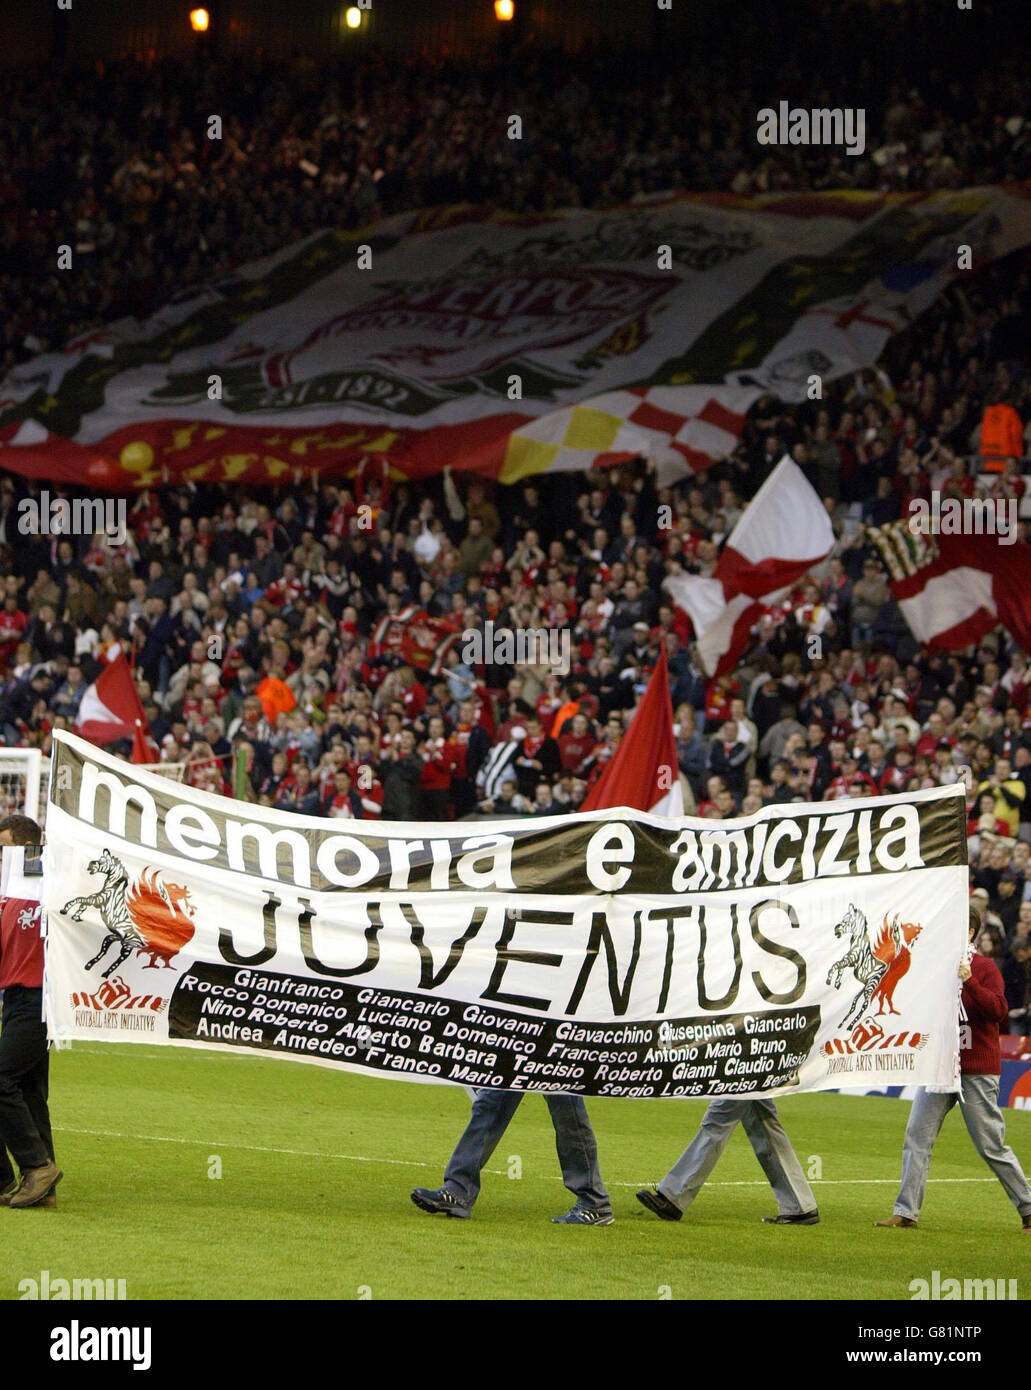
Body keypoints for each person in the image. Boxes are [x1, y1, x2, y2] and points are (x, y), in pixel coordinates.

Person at [875, 903, 1031, 1233]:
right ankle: (906, 1211)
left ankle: (1029, 1208)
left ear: (970, 932)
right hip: (940, 1065)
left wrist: (970, 981)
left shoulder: (985, 967)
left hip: (975, 1068)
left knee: (991, 1145)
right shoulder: (933, 965)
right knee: (917, 1136)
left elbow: (999, 1011)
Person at [411, 1089, 613, 1225]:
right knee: (492, 1098)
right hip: (526, 1035)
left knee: (566, 1105)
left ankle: (593, 1201)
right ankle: (458, 1190)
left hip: (557, 1036)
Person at [0, 813, 62, 1209]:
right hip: (15, 1000)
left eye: (4, 847)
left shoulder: (51, 884)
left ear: (27, 848)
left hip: (42, 1000)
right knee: (30, 1093)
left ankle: (36, 1167)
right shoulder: (8, 890)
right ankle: (42, 1186)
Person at [635, 1098, 818, 1224]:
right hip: (759, 1055)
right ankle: (799, 1206)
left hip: (753, 1057)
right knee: (762, 1120)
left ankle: (674, 1196)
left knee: (719, 1118)